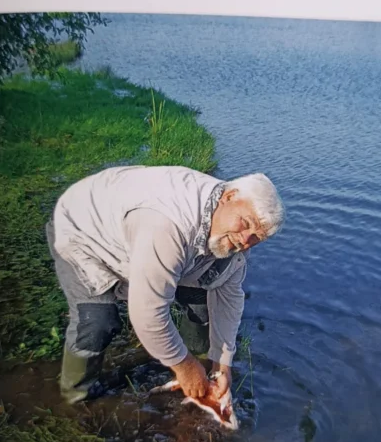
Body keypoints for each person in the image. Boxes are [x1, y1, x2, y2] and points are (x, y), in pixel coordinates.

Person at [46, 165, 285, 404]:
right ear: (228, 197)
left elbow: (228, 299)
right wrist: (184, 368)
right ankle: (76, 396)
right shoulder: (167, 224)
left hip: (149, 239)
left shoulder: (233, 240)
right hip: (83, 229)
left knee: (203, 301)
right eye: (245, 223)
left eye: (257, 238)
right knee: (97, 321)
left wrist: (221, 364)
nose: (245, 240)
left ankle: (200, 365)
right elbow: (147, 314)